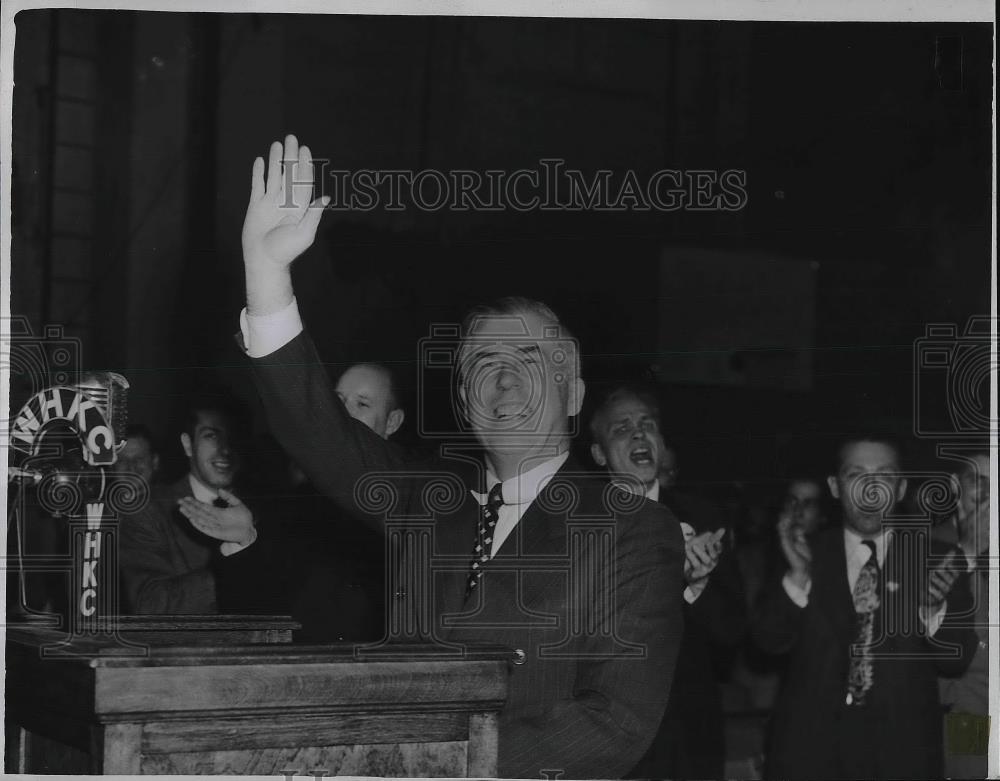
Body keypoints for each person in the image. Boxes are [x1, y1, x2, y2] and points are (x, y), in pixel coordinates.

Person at [234, 135, 685, 779]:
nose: (500, 383)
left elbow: (614, 725)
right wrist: (267, 274)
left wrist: (429, 763)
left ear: (575, 390)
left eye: (526, 361)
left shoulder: (634, 531)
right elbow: (318, 433)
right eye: (479, 365)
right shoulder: (423, 498)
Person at [753, 435, 978, 780]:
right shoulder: (802, 551)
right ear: (835, 486)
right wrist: (798, 577)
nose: (871, 489)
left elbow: (956, 659)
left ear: (901, 488)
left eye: (885, 476)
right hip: (808, 755)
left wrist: (931, 610)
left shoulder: (938, 559)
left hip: (903, 756)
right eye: (856, 475)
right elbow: (767, 642)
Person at [589, 386, 746, 779]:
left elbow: (732, 634)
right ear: (599, 453)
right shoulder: (579, 526)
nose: (639, 434)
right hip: (607, 740)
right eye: (622, 428)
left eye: (648, 425)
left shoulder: (705, 517)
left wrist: (696, 585)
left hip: (690, 739)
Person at [119, 394, 273, 614]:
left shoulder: (270, 508)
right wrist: (236, 556)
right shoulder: (148, 510)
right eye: (211, 436)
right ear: (188, 444)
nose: (225, 450)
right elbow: (149, 605)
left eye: (234, 437)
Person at [287, 361, 404, 642]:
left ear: (392, 422)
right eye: (338, 401)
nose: (342, 413)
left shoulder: (412, 497)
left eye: (362, 404)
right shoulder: (300, 497)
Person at [934, 452, 990, 780]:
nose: (985, 491)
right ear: (955, 487)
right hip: (965, 706)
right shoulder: (927, 547)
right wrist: (967, 549)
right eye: (976, 481)